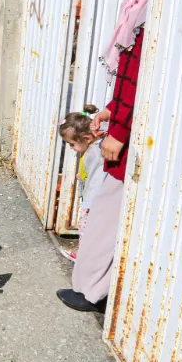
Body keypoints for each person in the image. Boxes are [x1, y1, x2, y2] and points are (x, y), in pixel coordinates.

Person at [56, 0, 162, 312]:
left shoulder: (147, 16)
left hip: (126, 137)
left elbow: (135, 81)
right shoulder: (140, 10)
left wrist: (117, 131)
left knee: (105, 214)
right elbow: (126, 84)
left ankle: (90, 292)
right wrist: (108, 111)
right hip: (123, 125)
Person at [56, 105, 107, 261]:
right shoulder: (92, 148)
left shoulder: (96, 151)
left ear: (86, 138)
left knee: (87, 228)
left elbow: (97, 176)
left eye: (72, 144)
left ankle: (83, 255)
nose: (71, 148)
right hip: (92, 198)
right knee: (88, 228)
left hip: (94, 200)